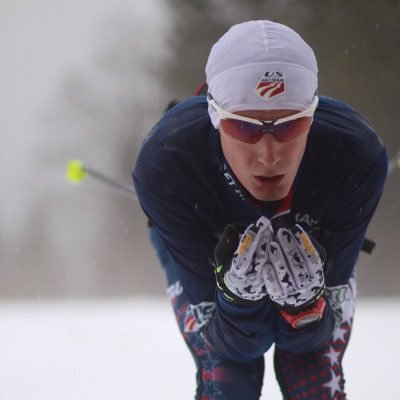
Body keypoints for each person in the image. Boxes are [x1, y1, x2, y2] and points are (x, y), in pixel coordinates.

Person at [133, 20, 387, 400]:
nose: (269, 157)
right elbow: (228, 348)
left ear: (312, 117)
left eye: (290, 126)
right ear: (215, 117)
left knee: (313, 376)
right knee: (230, 378)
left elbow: (312, 344)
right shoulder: (166, 165)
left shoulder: (355, 156)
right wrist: (237, 304)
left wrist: (305, 308)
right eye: (245, 129)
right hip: (201, 237)